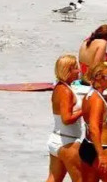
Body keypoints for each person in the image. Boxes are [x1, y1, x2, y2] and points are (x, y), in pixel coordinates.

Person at [70, 63, 107, 182]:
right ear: (99, 77)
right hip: (101, 149)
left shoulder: (90, 95)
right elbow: (94, 128)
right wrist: (101, 154)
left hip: (87, 147)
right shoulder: (97, 100)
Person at [46, 54, 84, 182]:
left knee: (54, 178)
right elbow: (66, 119)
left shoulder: (61, 87)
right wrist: (85, 110)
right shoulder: (65, 91)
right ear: (67, 70)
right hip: (68, 142)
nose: (79, 71)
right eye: (75, 68)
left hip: (57, 138)